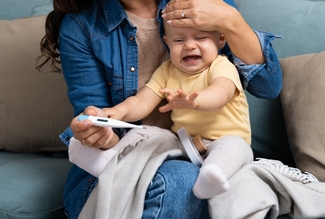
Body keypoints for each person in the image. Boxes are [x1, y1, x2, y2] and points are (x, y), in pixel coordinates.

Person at [39, 0, 282, 219]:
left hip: (205, 153)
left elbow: (269, 87)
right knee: (181, 183)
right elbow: (103, 121)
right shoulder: (80, 28)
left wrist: (231, 20)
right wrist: (100, 131)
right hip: (123, 166)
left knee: (235, 194)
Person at [74, 20, 253, 200]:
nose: (190, 45)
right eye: (179, 40)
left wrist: (194, 101)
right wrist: (120, 111)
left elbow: (221, 93)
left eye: (200, 37)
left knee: (235, 148)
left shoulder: (222, 66)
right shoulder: (167, 70)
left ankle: (211, 176)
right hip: (186, 144)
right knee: (150, 133)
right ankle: (112, 161)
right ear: (167, 42)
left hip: (225, 139)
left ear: (221, 40)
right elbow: (142, 101)